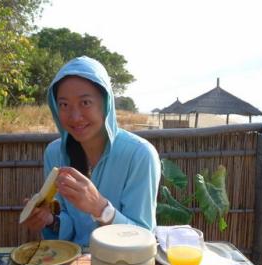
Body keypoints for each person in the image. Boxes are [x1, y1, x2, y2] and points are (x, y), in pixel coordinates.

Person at [22, 56, 161, 246]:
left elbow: (143, 239)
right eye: (64, 105)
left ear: (106, 103)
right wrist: (50, 221)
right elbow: (69, 225)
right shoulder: (55, 154)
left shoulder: (139, 155)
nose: (75, 116)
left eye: (85, 102)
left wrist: (100, 208)